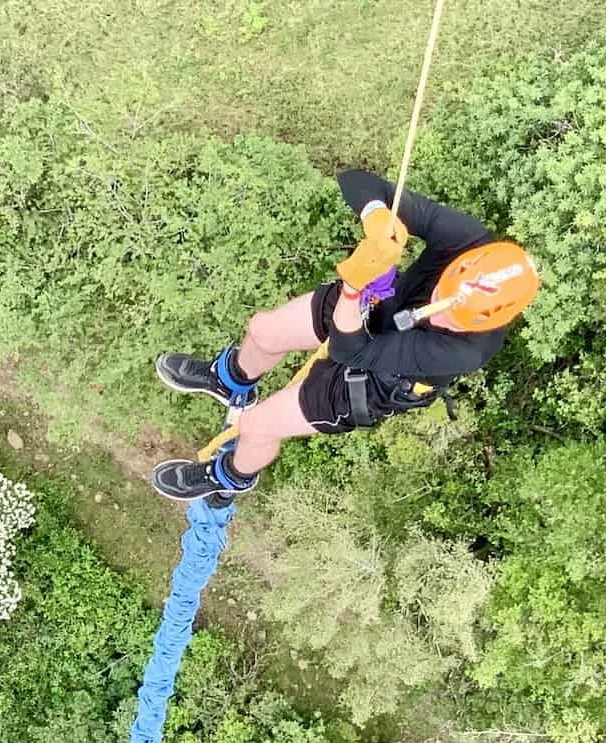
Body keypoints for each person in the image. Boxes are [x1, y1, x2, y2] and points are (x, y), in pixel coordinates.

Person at [151, 169, 539, 501]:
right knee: (262, 330)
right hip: (377, 300)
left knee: (257, 425)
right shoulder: (469, 241)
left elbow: (351, 350)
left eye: (455, 319)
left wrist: (353, 287)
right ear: (460, 268)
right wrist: (376, 218)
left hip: (376, 376)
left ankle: (230, 477)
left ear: (483, 324)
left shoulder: (468, 351)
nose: (439, 315)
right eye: (441, 299)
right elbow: (356, 180)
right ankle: (231, 380)